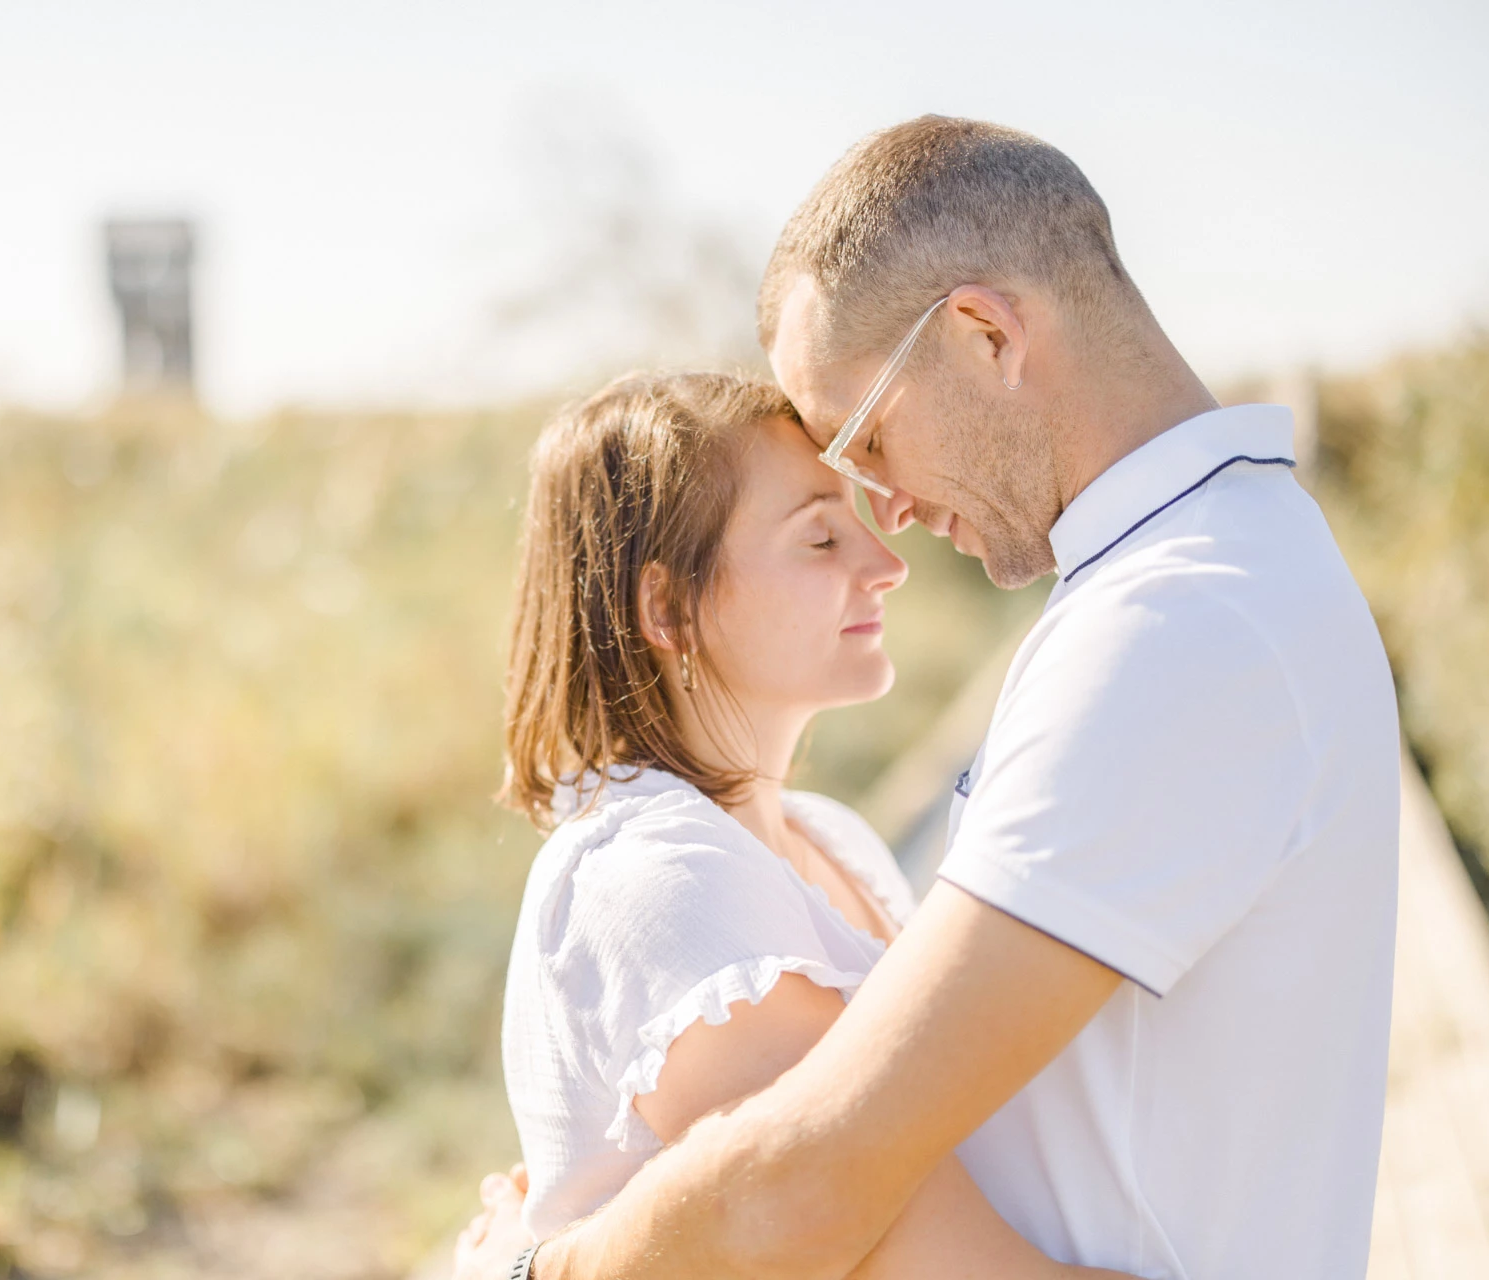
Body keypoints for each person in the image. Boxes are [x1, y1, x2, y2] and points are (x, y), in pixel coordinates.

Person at [457, 116, 1399, 1280]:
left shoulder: (1177, 623)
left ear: (985, 334)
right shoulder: (1217, 577)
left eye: (865, 436)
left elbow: (813, 1178)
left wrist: (535, 1267)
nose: (885, 514)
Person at [489, 370, 1135, 1277]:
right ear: (667, 608)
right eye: (822, 537)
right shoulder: (658, 878)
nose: (887, 564)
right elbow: (910, 1256)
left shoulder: (829, 837)